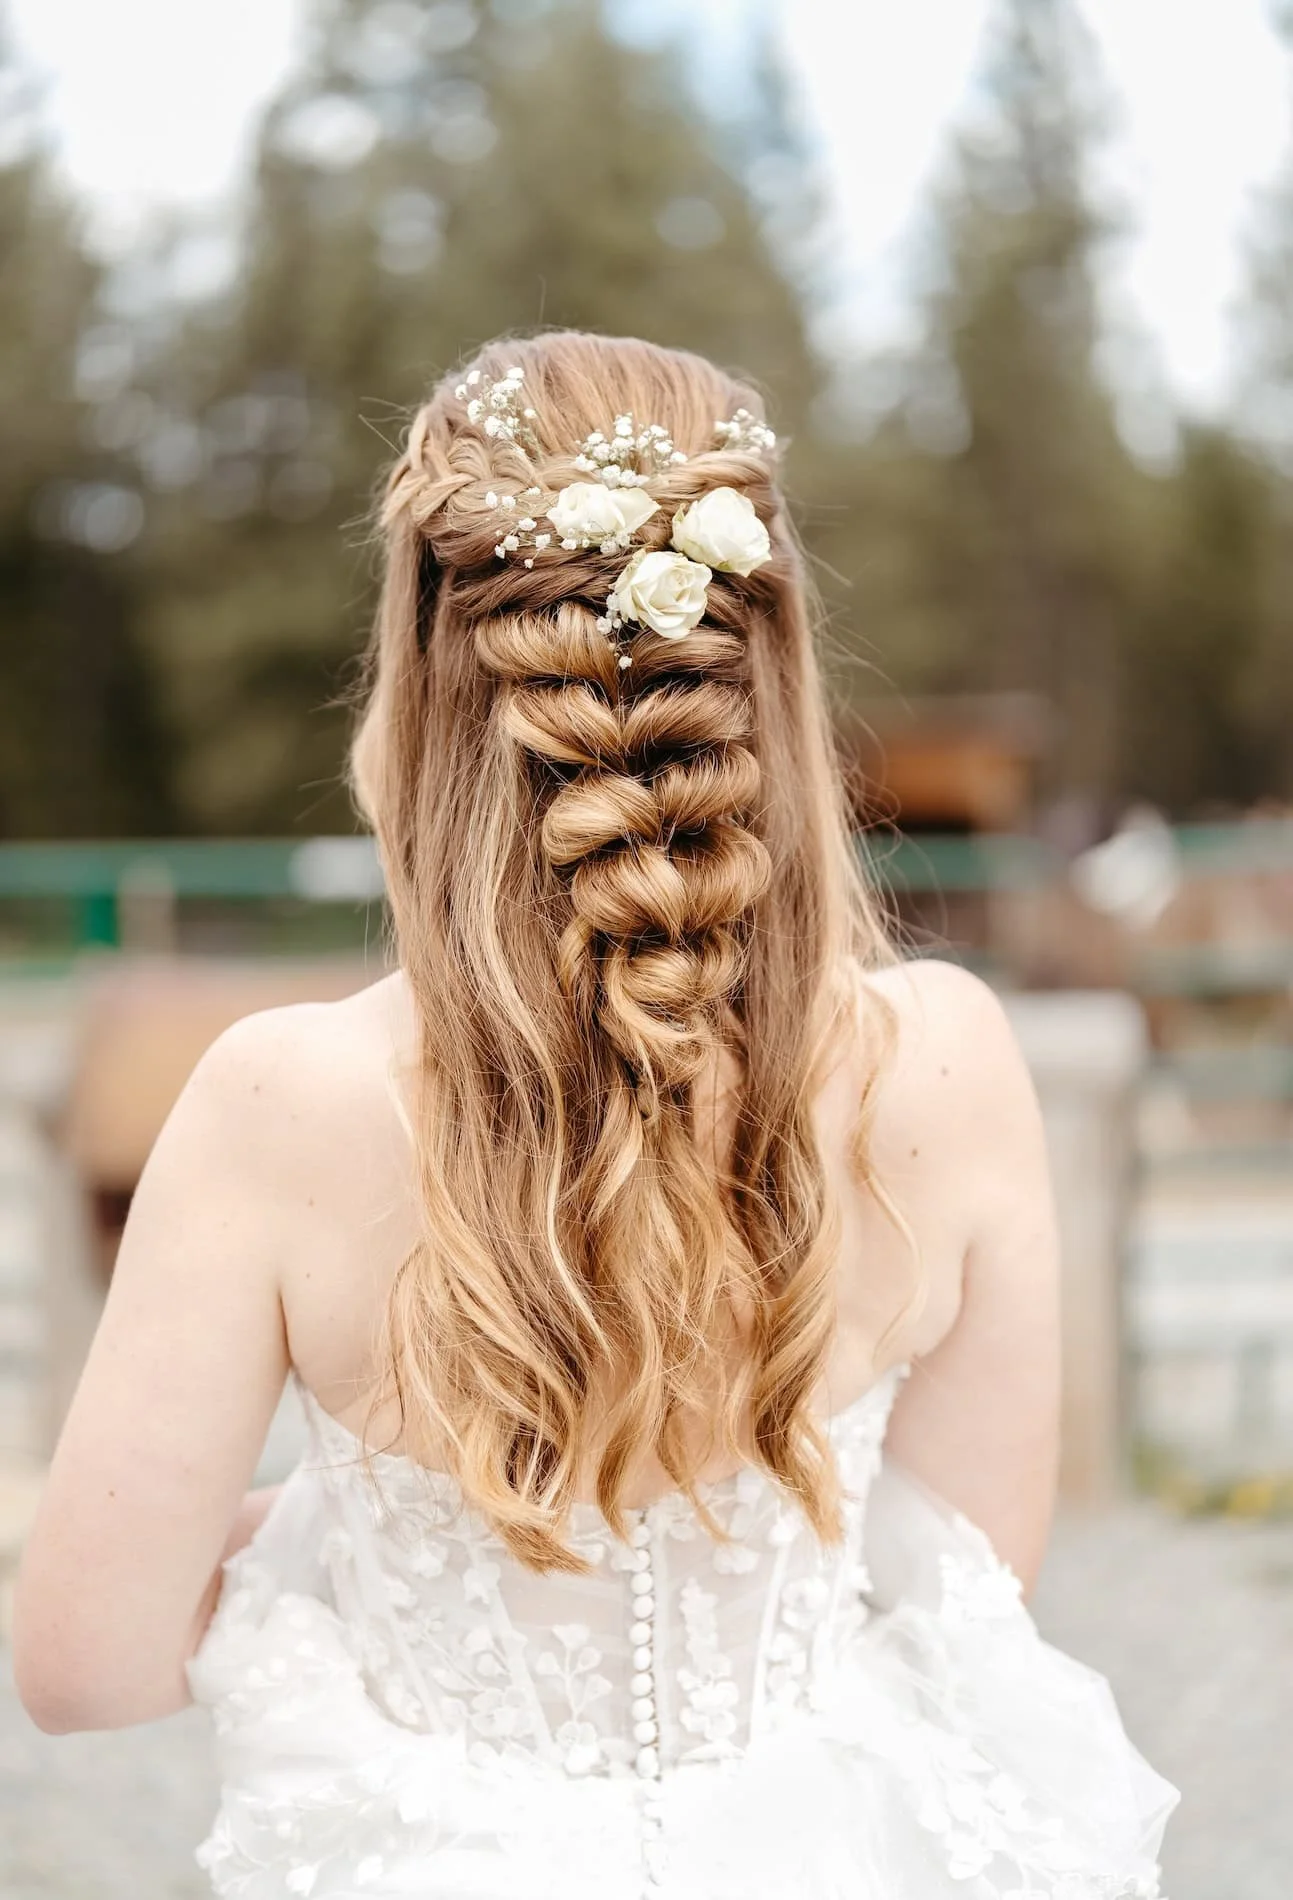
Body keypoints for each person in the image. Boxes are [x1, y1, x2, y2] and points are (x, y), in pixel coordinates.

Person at [13, 333, 1176, 1899]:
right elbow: (965, 1587)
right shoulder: (949, 1065)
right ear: (766, 669)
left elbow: (88, 1663)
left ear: (422, 677)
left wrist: (338, 1533)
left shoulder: (276, 1105)